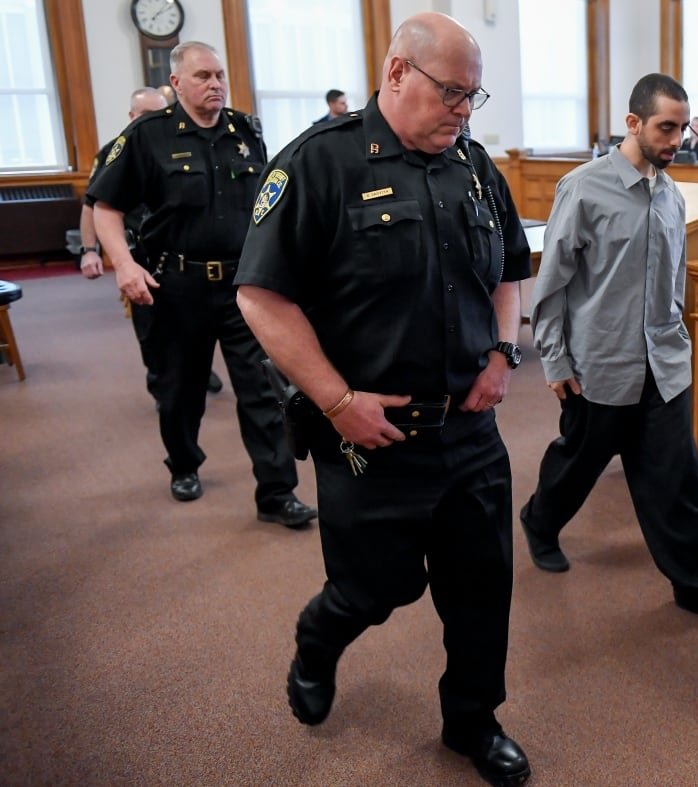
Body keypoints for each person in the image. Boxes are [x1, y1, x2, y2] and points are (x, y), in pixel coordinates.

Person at [235, 12, 532, 786]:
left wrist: (503, 352)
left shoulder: (474, 167)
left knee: (481, 589)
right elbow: (262, 297)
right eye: (452, 92)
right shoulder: (317, 163)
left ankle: (474, 719)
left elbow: (509, 268)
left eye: (475, 96)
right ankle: (318, 636)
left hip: (469, 431)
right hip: (370, 436)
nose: (465, 110)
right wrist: (336, 402)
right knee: (377, 586)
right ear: (397, 72)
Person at [522, 73, 698, 635]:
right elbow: (552, 283)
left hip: (664, 363)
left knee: (676, 479)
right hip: (598, 364)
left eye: (683, 129)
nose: (677, 140)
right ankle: (540, 521)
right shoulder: (583, 188)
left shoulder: (671, 193)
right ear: (634, 123)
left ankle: (695, 586)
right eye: (665, 128)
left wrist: (676, 339)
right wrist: (554, 359)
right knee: (579, 462)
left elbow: (673, 278)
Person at [88, 42, 316, 527]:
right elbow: (105, 207)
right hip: (174, 287)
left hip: (242, 286)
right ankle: (185, 464)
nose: (215, 84)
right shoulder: (147, 135)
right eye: (202, 76)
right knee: (179, 390)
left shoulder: (244, 130)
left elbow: (266, 205)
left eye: (219, 75)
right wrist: (124, 265)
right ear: (176, 83)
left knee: (262, 388)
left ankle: (277, 493)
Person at [79, 86, 223, 402]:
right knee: (150, 328)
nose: (154, 121)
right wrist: (90, 250)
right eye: (146, 114)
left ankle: (194, 370)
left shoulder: (183, 145)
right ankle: (161, 381)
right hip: (136, 252)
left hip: (176, 253)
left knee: (193, 323)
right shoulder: (113, 151)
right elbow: (93, 207)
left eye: (160, 112)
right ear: (132, 117)